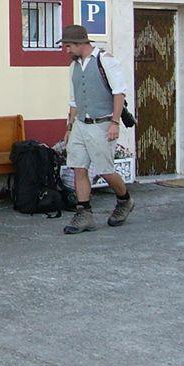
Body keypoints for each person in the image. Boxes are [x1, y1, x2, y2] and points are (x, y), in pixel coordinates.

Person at [59, 24, 134, 234]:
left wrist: (115, 123)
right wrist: (69, 128)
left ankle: (124, 200)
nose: (66, 50)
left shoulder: (105, 60)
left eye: (68, 46)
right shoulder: (74, 66)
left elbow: (119, 93)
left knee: (106, 170)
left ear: (80, 44)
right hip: (81, 125)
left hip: (102, 123)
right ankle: (84, 213)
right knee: (78, 167)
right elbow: (74, 101)